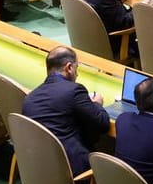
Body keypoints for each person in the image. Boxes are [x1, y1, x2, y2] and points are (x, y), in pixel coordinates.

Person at [22, 45, 113, 175]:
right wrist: (97, 103)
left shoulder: (30, 98)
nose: (77, 74)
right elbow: (102, 124)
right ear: (69, 68)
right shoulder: (74, 90)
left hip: (41, 173)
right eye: (76, 68)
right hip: (75, 175)